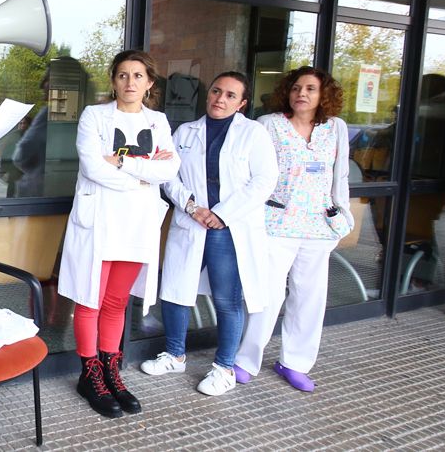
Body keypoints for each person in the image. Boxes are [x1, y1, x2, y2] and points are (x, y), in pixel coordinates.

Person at [58, 49, 180, 418]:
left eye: (138, 76)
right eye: (123, 75)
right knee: (89, 299)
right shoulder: (94, 116)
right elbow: (93, 166)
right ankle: (89, 373)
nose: (130, 82)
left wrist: (125, 162)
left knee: (116, 302)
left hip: (136, 225)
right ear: (113, 81)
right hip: (100, 221)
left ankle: (111, 370)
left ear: (149, 83)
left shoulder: (158, 120)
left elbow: (170, 168)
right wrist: (143, 176)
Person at [141, 71, 278, 396]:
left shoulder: (254, 134)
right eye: (217, 91)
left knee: (227, 298)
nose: (221, 98)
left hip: (229, 227)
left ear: (242, 103)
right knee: (175, 290)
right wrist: (191, 207)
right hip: (192, 221)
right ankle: (175, 354)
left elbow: (264, 180)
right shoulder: (186, 131)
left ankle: (224, 368)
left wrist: (222, 214)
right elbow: (168, 175)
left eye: (231, 95)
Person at [234, 65, 353, 392]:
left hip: (319, 226)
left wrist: (342, 219)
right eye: (297, 88)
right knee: (267, 296)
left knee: (310, 298)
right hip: (276, 224)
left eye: (310, 89)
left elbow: (339, 175)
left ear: (322, 94)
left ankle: (295, 362)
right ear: (287, 91)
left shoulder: (335, 128)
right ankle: (245, 360)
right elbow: (254, 174)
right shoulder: (268, 125)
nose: (302, 94)